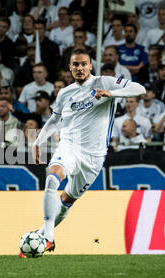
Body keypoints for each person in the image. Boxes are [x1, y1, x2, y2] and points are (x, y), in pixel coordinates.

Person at [20, 49, 145, 258]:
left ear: (90, 66)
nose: (79, 68)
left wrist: (111, 93)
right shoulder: (65, 93)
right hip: (70, 146)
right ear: (70, 68)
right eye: (75, 65)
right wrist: (38, 142)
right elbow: (54, 120)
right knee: (53, 177)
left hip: (94, 157)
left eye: (83, 64)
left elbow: (139, 88)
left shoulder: (104, 83)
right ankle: (48, 237)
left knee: (67, 200)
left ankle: (41, 235)